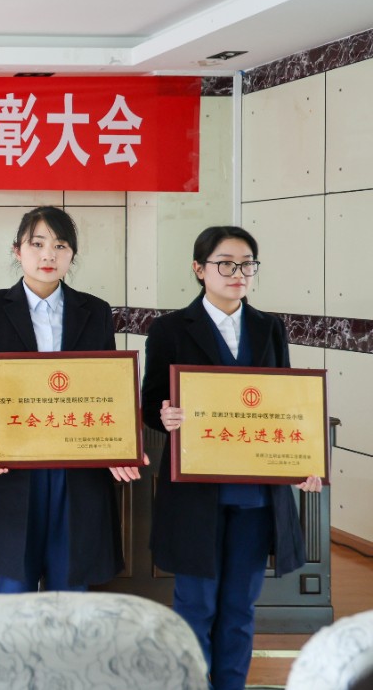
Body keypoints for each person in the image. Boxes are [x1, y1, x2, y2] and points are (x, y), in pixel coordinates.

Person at [143, 225, 323, 690]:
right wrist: (165, 414)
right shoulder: (169, 329)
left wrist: (303, 460)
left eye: (247, 264)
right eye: (225, 263)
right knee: (196, 604)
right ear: (199, 269)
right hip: (194, 493)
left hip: (255, 494)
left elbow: (287, 403)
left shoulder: (269, 327)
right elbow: (149, 405)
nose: (237, 273)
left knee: (241, 606)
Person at [0, 205, 142, 593]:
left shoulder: (94, 311)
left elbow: (109, 389)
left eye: (60, 245)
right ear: (17, 250)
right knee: (14, 592)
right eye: (37, 244)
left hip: (76, 468)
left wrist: (122, 444)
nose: (48, 255)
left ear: (72, 254)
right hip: (13, 466)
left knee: (68, 591)